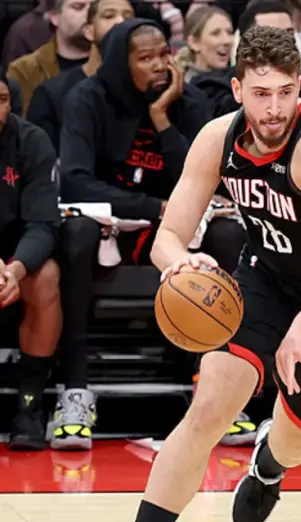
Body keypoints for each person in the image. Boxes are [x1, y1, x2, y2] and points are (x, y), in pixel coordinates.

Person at [122, 26, 301, 522]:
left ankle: (269, 466)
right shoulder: (217, 139)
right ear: (237, 89)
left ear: (300, 87)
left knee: (299, 442)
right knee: (207, 412)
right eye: (261, 93)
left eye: (285, 92)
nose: (273, 109)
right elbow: (168, 239)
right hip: (265, 278)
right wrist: (182, 264)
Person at [55, 18, 224, 451]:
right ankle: (75, 392)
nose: (160, 65)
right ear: (119, 63)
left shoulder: (190, 101)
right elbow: (74, 181)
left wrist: (161, 120)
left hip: (172, 228)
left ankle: (214, 392)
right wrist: (153, 207)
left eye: (164, 54)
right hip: (111, 224)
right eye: (145, 58)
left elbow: (202, 177)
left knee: (227, 235)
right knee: (75, 235)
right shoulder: (87, 99)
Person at [0, 75, 62, 451]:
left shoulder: (31, 141)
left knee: (46, 277)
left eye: (2, 99)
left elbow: (43, 224)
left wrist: (14, 268)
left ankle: (29, 404)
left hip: (17, 255)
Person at [28, 0, 135, 152]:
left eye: (128, 17)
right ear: (89, 31)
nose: (120, 21)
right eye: (109, 16)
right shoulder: (51, 94)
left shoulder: (147, 90)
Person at [7, 0, 94, 116]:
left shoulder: (115, 62)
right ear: (54, 17)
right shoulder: (24, 70)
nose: (89, 13)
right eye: (78, 7)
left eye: (95, 7)